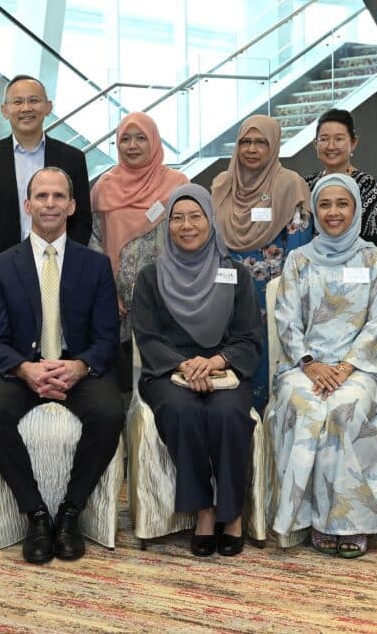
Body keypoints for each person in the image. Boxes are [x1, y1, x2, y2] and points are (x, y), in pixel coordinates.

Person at [0, 167, 123, 565]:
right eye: (42, 196)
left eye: (58, 196)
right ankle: (36, 513)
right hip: (23, 369)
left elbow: (107, 338)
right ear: (28, 205)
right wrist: (26, 370)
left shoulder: (95, 265)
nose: (50, 204)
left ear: (73, 206)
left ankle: (71, 512)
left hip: (78, 368)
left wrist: (78, 367)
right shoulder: (1, 266)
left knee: (110, 412)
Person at [266, 174, 377, 559]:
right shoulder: (298, 260)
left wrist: (346, 367)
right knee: (308, 407)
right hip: (303, 366)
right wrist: (309, 363)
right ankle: (306, 517)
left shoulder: (376, 259)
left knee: (342, 408)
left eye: (343, 204)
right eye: (325, 204)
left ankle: (347, 522)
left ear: (356, 208)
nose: (333, 212)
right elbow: (286, 318)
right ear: (315, 211)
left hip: (362, 369)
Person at [130, 184, 263, 558]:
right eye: (177, 218)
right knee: (182, 412)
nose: (186, 226)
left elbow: (250, 337)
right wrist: (184, 364)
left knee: (228, 415)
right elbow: (148, 335)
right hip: (169, 370)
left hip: (224, 367)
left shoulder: (236, 275)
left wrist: (217, 361)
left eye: (195, 216)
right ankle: (205, 512)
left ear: (210, 220)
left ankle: (232, 513)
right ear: (167, 225)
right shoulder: (150, 277)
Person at [0, 75, 92, 316]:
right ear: (5, 110)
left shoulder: (73, 158)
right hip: (2, 271)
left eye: (33, 100)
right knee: (5, 347)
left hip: (59, 268)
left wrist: (67, 261)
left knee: (59, 345)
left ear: (48, 107)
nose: (25, 108)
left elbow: (82, 218)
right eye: (17, 102)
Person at [212, 114, 311, 409]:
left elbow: (298, 252)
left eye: (260, 143)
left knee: (268, 364)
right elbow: (209, 242)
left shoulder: (290, 185)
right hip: (226, 294)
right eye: (245, 142)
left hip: (274, 296)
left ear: (274, 146)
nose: (252, 149)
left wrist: (286, 292)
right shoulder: (221, 185)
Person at [90, 111, 187, 389]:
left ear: (155, 141)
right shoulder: (104, 188)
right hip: (118, 301)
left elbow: (189, 238)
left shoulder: (178, 185)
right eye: (125, 139)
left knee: (166, 373)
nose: (132, 146)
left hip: (168, 295)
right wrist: (107, 291)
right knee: (122, 376)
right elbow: (94, 242)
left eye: (141, 138)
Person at [303, 109, 377, 247]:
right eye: (324, 139)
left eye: (339, 139)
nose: (331, 146)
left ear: (353, 143)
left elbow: (372, 240)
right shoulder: (306, 184)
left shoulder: (366, 185)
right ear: (315, 144)